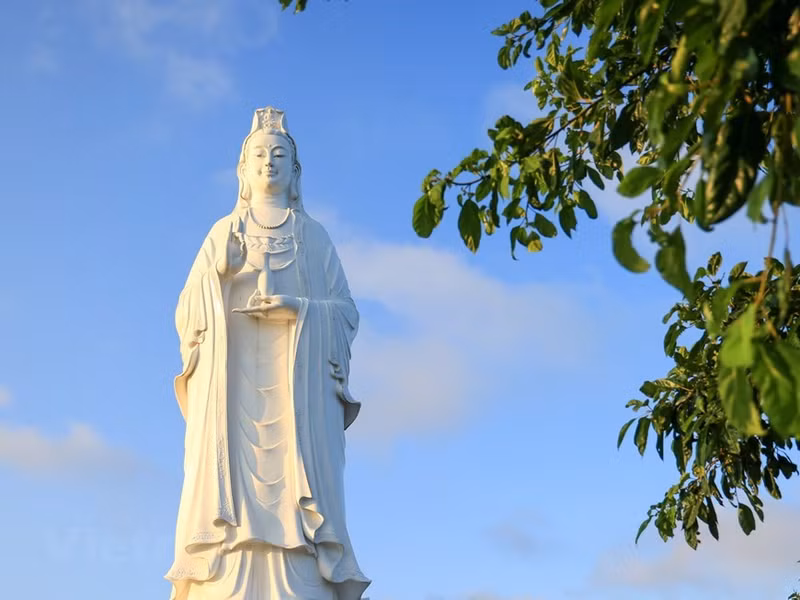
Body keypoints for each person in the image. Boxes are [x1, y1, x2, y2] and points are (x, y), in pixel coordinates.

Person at [166, 107, 370, 600]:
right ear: (242, 169)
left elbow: (344, 312)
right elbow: (187, 312)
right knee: (224, 492)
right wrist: (220, 271)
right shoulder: (222, 232)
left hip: (295, 396)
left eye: (280, 154)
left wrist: (299, 309)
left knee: (301, 493)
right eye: (258, 154)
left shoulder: (313, 236)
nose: (269, 162)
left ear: (295, 171)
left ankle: (302, 570)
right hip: (232, 390)